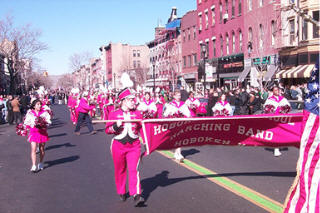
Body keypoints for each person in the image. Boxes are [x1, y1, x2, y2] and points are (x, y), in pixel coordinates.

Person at [105, 88, 144, 206]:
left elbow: (142, 129)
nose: (134, 101)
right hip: (118, 146)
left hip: (134, 146)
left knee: (134, 169)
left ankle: (136, 194)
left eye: (134, 99)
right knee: (120, 170)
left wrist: (147, 141)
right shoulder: (114, 114)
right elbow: (107, 130)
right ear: (123, 101)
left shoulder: (137, 113)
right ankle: (121, 191)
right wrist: (116, 127)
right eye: (131, 100)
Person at [23, 99, 51, 172]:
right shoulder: (30, 113)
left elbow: (49, 121)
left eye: (40, 104)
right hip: (33, 132)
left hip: (42, 132)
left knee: (41, 149)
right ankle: (33, 165)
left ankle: (41, 163)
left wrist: (44, 123)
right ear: (34, 106)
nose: (39, 105)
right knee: (33, 149)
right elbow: (26, 122)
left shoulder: (44, 113)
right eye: (38, 104)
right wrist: (30, 125)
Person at [163, 90, 191, 162]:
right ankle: (177, 153)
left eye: (180, 95)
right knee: (176, 137)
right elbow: (165, 114)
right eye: (177, 95)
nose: (179, 97)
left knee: (180, 137)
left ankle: (178, 153)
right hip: (174, 123)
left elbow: (188, 114)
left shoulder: (183, 104)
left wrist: (183, 114)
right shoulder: (171, 104)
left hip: (181, 122)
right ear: (174, 96)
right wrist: (172, 114)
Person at [263, 85, 291, 157]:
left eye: (278, 90)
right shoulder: (270, 99)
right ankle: (276, 148)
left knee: (281, 132)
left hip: (281, 118)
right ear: (273, 91)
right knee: (276, 132)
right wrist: (271, 110)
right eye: (275, 90)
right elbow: (266, 108)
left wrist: (284, 109)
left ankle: (279, 145)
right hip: (274, 118)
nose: (277, 91)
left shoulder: (283, 99)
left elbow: (288, 106)